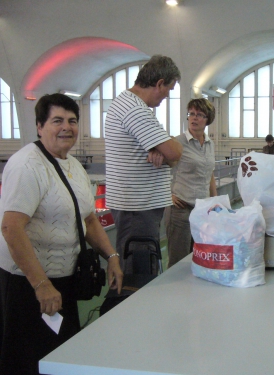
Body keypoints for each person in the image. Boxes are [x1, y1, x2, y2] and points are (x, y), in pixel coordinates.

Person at [0, 93, 123, 375]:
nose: (66, 127)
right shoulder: (27, 165)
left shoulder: (73, 165)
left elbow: (90, 219)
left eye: (72, 120)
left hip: (63, 282)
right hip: (29, 285)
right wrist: (41, 284)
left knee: (61, 353)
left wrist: (112, 256)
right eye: (57, 120)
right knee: (29, 359)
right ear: (40, 126)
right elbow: (11, 227)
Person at [105, 55, 183, 274]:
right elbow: (176, 151)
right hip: (137, 208)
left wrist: (163, 151)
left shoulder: (127, 104)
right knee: (137, 273)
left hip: (138, 207)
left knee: (143, 265)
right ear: (159, 83)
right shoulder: (135, 110)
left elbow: (171, 153)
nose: (166, 96)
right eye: (169, 89)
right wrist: (167, 152)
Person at [165, 98, 217, 268]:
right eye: (191, 114)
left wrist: (215, 201)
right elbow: (158, 169)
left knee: (200, 257)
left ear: (208, 119)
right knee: (178, 262)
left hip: (202, 211)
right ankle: (175, 294)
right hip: (181, 209)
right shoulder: (177, 142)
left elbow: (210, 174)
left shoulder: (210, 144)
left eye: (200, 115)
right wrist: (168, 194)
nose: (194, 118)